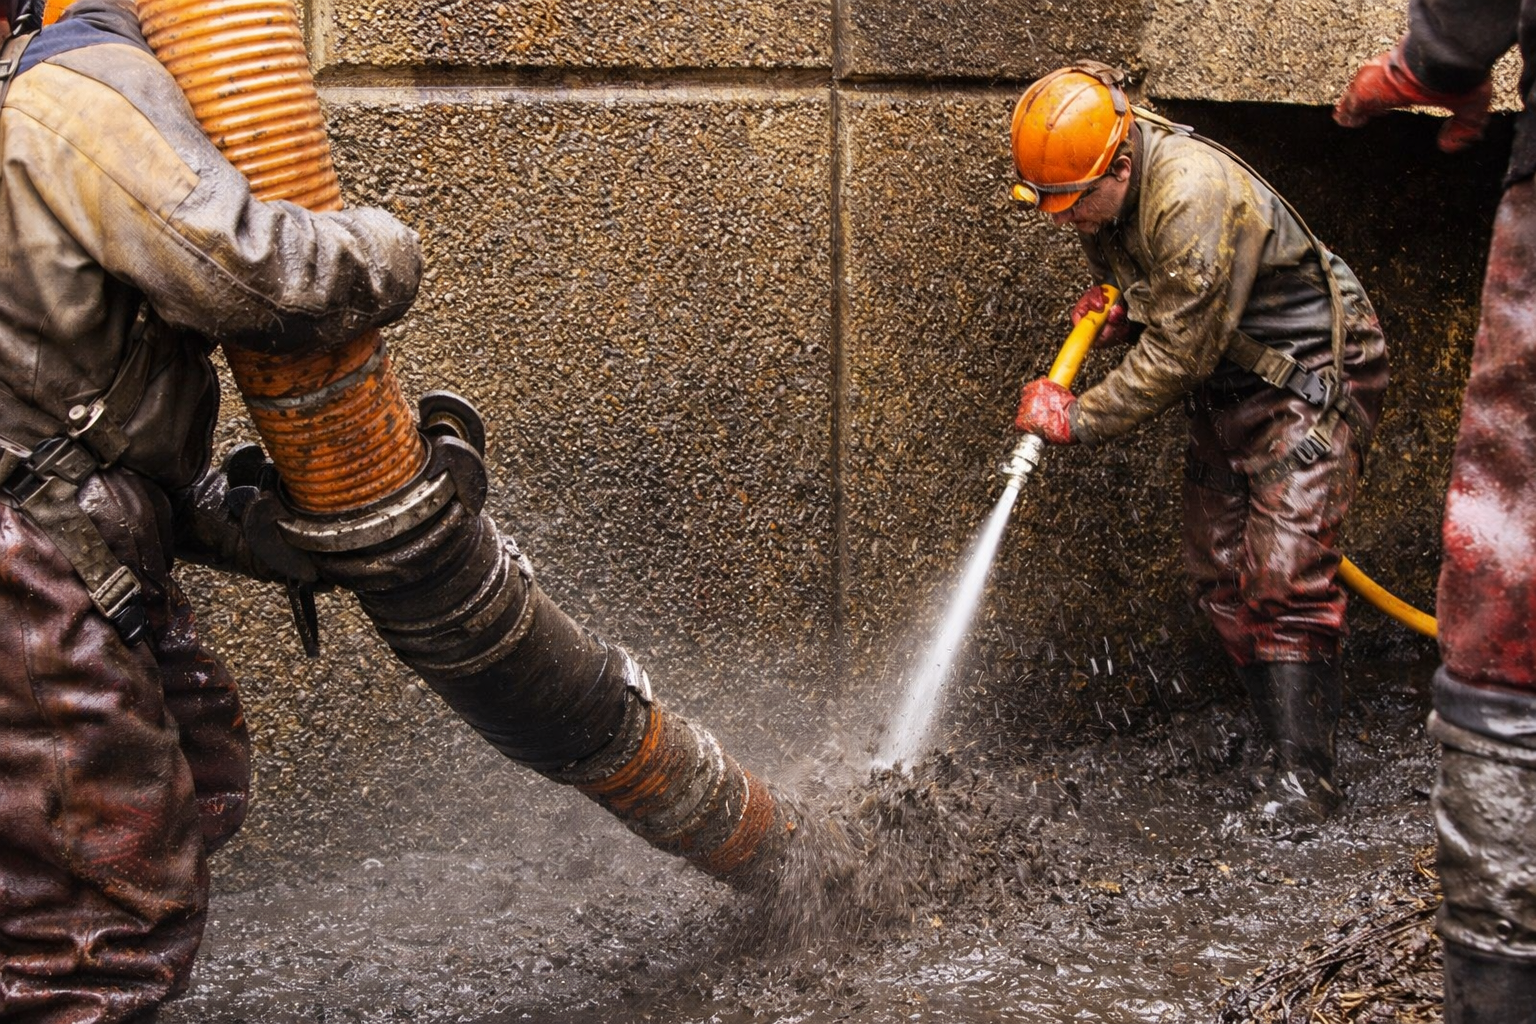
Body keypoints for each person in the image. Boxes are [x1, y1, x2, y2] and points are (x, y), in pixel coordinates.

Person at [0, 0, 422, 1019]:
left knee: (196, 765)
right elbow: (243, 271)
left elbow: (56, 409)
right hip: (30, 577)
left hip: (56, 538)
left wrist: (242, 524)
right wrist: (390, 249)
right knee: (96, 926)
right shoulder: (66, 95)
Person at [1007, 63, 1390, 822]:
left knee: (1283, 575)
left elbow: (1180, 353)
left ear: (1119, 165)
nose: (1062, 217)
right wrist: (1130, 315)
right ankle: (1284, 741)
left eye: (1072, 201)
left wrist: (1077, 417)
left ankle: (1306, 782)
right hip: (1231, 382)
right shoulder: (1110, 197)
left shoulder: (1190, 194)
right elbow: (1181, 309)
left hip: (1308, 378)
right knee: (1219, 572)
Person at [1336, 8, 1536, 1019]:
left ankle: (1501, 979)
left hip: (1307, 377)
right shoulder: (1119, 211)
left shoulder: (1191, 201)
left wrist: (1426, 61)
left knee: (1508, 604)